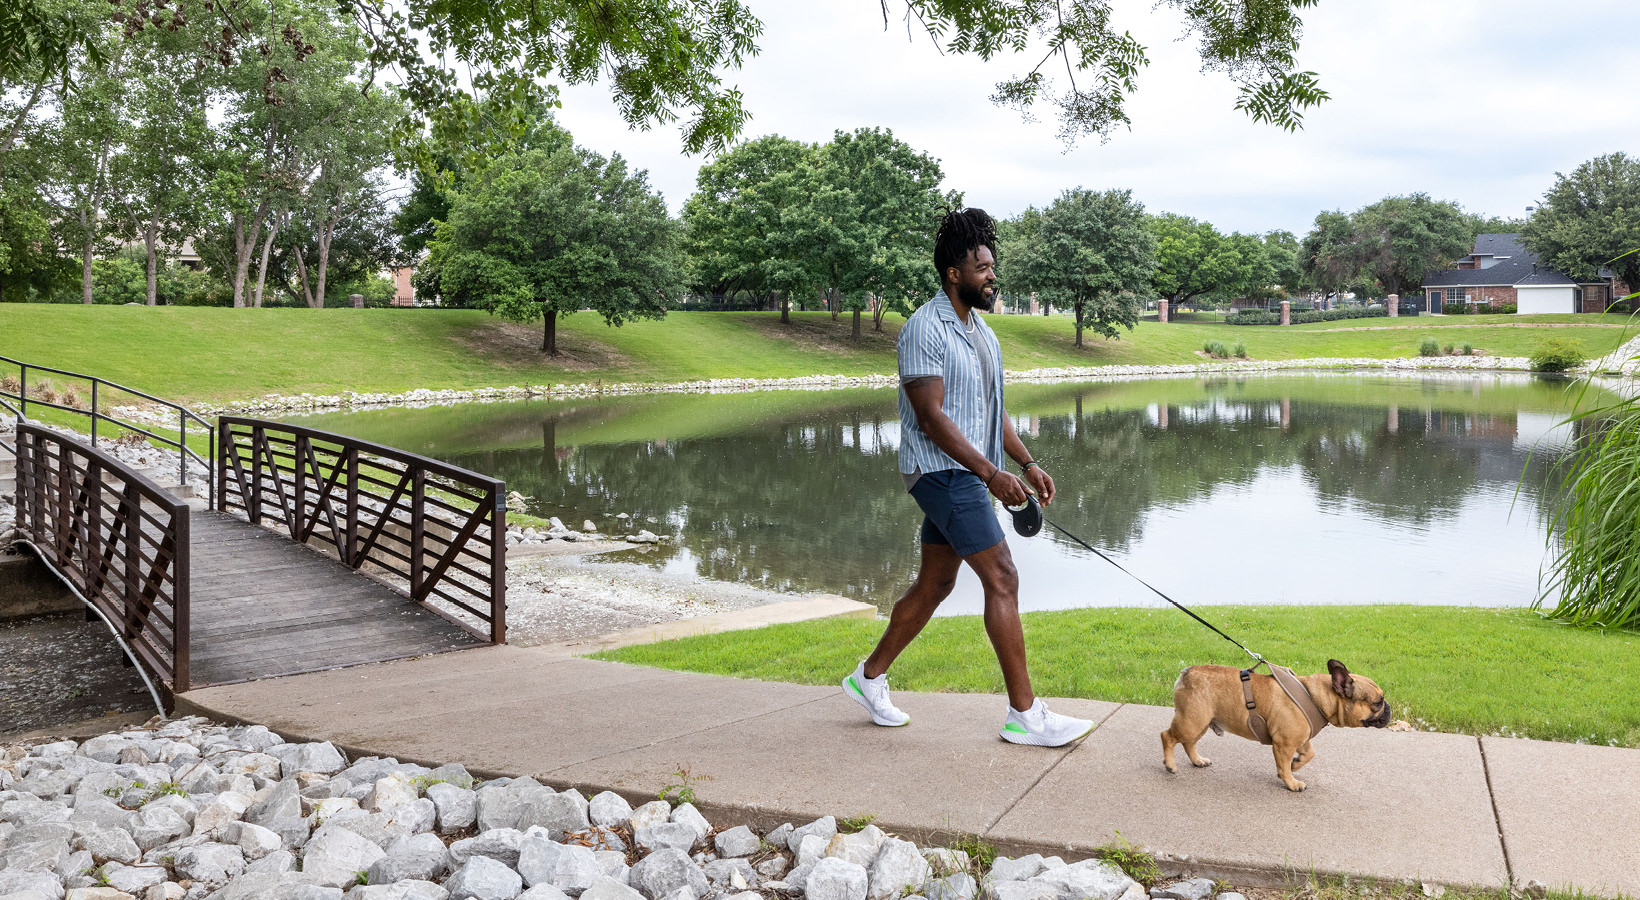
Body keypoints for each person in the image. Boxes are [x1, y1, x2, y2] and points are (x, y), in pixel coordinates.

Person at [842, 206, 1095, 748]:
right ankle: (1025, 716)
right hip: (938, 471)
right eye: (982, 267)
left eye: (992, 265)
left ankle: (867, 678)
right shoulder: (922, 329)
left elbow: (989, 409)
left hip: (969, 472)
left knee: (936, 583)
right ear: (954, 273)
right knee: (1001, 575)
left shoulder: (983, 333)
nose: (992, 275)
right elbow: (932, 418)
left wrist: (1026, 462)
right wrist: (991, 475)